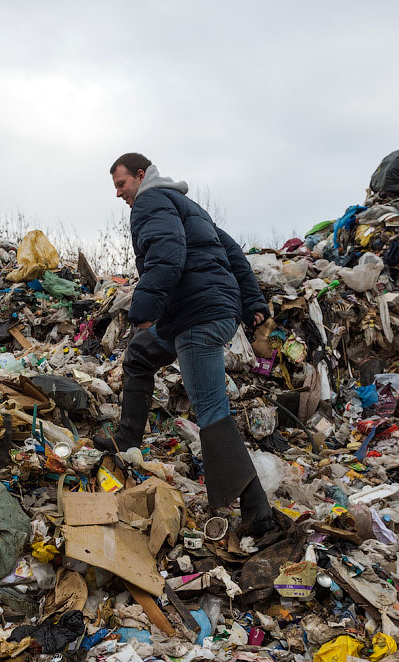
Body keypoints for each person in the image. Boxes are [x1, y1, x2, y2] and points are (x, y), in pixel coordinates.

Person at [97, 152, 275, 537]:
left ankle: (257, 509)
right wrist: (254, 302)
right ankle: (127, 440)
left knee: (210, 408)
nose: (119, 194)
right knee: (141, 355)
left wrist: (144, 307)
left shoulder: (150, 201)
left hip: (197, 316)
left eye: (121, 184)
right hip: (205, 312)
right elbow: (233, 254)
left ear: (141, 176)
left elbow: (166, 255)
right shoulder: (186, 204)